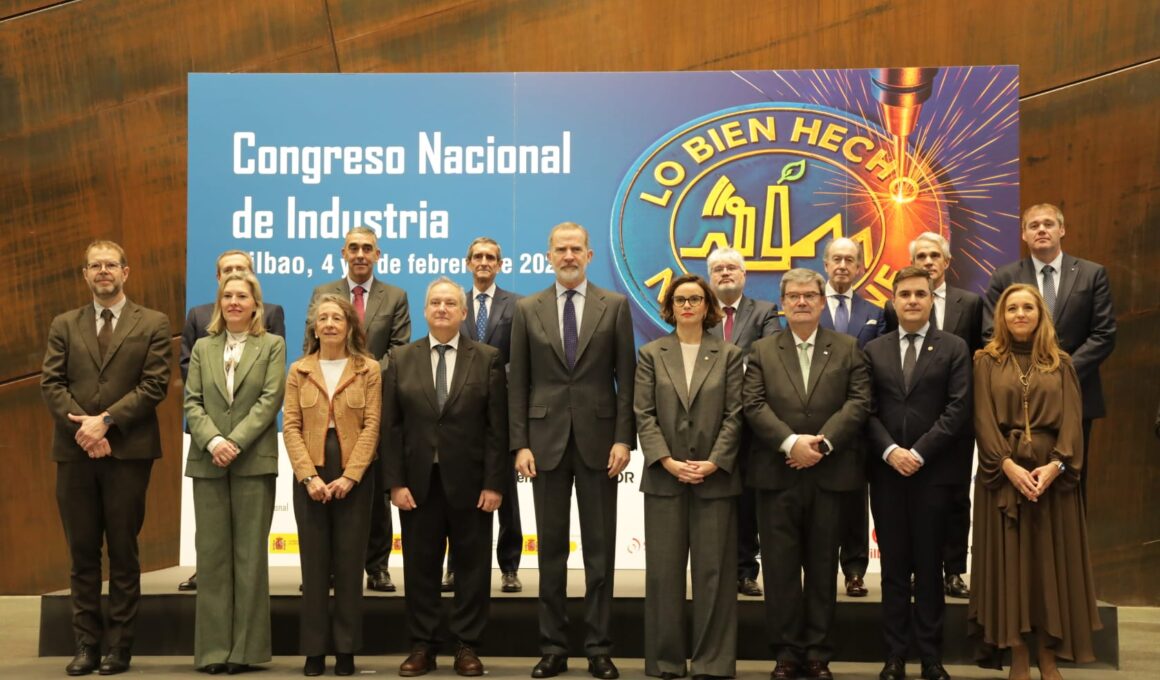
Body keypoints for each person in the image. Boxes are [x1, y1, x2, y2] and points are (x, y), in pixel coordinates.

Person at [509, 222, 636, 680]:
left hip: (601, 445)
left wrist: (624, 438)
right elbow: (518, 383)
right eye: (560, 249)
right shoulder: (527, 309)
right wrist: (520, 443)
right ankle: (553, 648)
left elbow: (627, 380)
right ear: (549, 256)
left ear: (589, 255)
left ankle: (599, 648)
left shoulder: (615, 306)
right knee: (550, 554)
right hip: (544, 445)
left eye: (576, 249)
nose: (568, 256)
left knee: (600, 553)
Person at [41, 240, 171, 676]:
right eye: (95, 266)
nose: (103, 271)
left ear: (125, 272)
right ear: (85, 275)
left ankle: (118, 648)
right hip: (75, 452)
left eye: (110, 265)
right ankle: (86, 646)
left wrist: (107, 422)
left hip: (127, 454)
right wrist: (86, 430)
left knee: (123, 552)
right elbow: (51, 384)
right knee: (82, 554)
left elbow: (154, 385)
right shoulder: (64, 324)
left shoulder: (153, 322)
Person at [743, 267, 871, 680]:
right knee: (779, 570)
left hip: (829, 475)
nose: (801, 302)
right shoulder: (761, 350)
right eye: (794, 296)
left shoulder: (848, 348)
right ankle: (785, 653)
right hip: (776, 474)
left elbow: (859, 402)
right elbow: (753, 404)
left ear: (821, 301)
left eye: (809, 296)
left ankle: (818, 653)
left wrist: (821, 445)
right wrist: (790, 443)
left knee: (822, 569)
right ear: (782, 304)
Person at [969, 283, 1101, 679]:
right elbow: (982, 420)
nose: (1020, 314)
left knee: (1048, 569)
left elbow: (1073, 422)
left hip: (1051, 479)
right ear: (1002, 317)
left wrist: (1057, 465)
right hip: (1002, 475)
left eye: (1028, 307)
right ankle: (1018, 657)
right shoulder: (985, 361)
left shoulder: (1061, 363)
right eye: (1012, 308)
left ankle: (1048, 657)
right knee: (1009, 568)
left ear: (1041, 314)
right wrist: (1006, 465)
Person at [383, 277, 508, 677]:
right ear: (424, 311)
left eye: (450, 303)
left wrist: (494, 483)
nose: (442, 308)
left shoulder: (486, 358)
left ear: (463, 312)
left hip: (472, 483)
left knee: (472, 567)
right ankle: (423, 645)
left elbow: (497, 428)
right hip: (418, 483)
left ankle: (467, 646)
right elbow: (391, 427)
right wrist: (395, 482)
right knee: (420, 566)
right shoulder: (401, 358)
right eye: (435, 302)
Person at [635, 274, 744, 679]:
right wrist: (666, 460)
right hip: (665, 479)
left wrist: (714, 462)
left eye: (695, 299)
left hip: (715, 481)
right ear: (669, 307)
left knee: (714, 576)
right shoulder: (651, 354)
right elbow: (643, 414)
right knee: (664, 575)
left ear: (707, 306)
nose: (687, 306)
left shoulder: (729, 354)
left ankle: (711, 662)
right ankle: (665, 661)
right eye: (680, 300)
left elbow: (736, 414)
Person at [865, 267, 972, 680]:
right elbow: (865, 410)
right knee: (894, 569)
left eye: (920, 294)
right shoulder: (874, 350)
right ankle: (894, 656)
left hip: (934, 475)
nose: (912, 300)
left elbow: (958, 408)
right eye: (905, 294)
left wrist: (919, 453)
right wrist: (891, 451)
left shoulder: (954, 347)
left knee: (929, 569)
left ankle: (930, 657)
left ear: (931, 300)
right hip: (887, 473)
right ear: (893, 301)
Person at [184, 272, 286, 674]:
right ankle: (212, 651)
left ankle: (245, 651)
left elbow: (270, 399)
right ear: (219, 303)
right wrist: (213, 441)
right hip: (208, 461)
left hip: (252, 461)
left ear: (255, 304)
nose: (234, 302)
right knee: (211, 558)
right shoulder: (203, 347)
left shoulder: (272, 345)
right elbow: (192, 401)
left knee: (249, 558)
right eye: (227, 296)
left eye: (242, 296)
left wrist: (235, 442)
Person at [984, 204, 1115, 505]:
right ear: (1024, 234)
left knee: (1070, 486)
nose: (1041, 230)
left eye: (1048, 224)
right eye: (1033, 225)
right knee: (1021, 489)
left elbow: (1104, 334)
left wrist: (1058, 374)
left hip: (1077, 394)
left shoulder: (1092, 274)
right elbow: (991, 334)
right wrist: (1028, 376)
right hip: (1017, 400)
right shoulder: (1005, 276)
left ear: (1062, 230)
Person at [307, 226, 411, 593]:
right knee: (331, 484)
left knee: (375, 489)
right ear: (343, 253)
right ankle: (330, 568)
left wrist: (361, 376)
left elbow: (398, 351)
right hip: (329, 405)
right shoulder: (323, 293)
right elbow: (311, 346)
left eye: (368, 248)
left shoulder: (395, 296)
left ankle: (377, 566)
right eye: (354, 248)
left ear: (378, 255)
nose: (360, 254)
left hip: (376, 402)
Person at [283, 294, 382, 677]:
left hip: (354, 473)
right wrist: (308, 476)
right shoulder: (299, 370)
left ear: (349, 326)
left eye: (336, 318)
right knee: (313, 567)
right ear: (314, 328)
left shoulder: (368, 369)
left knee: (349, 564)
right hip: (310, 472)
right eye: (322, 318)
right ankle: (313, 651)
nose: (328, 324)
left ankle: (345, 650)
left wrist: (350, 475)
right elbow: (291, 426)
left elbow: (372, 425)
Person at [884, 232, 983, 599]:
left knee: (956, 499)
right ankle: (916, 570)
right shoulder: (894, 307)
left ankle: (954, 571)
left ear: (947, 261)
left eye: (934, 255)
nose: (928, 261)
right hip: (910, 427)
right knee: (913, 507)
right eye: (921, 256)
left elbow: (979, 357)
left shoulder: (970, 303)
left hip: (955, 422)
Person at [442, 237, 525, 595]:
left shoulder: (517, 305)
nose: (483, 262)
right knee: (456, 493)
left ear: (500, 264)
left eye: (490, 257)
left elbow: (521, 358)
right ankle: (455, 566)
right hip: (461, 411)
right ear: (467, 263)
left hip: (502, 408)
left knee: (504, 490)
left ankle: (509, 567)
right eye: (477, 256)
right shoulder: (454, 304)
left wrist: (489, 376)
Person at [705, 246, 780, 598]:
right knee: (712, 501)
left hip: (751, 423)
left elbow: (769, 359)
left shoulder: (764, 312)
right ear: (710, 277)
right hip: (707, 421)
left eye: (731, 267)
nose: (725, 273)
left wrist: (727, 371)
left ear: (744, 274)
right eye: (718, 268)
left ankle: (747, 571)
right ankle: (714, 572)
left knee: (748, 502)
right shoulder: (699, 312)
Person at [819, 237, 884, 598]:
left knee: (856, 499)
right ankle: (819, 570)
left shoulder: (876, 312)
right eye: (836, 259)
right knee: (820, 503)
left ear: (860, 267)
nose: (843, 265)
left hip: (859, 420)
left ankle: (855, 571)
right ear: (825, 265)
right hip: (815, 421)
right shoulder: (808, 307)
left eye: (850, 260)